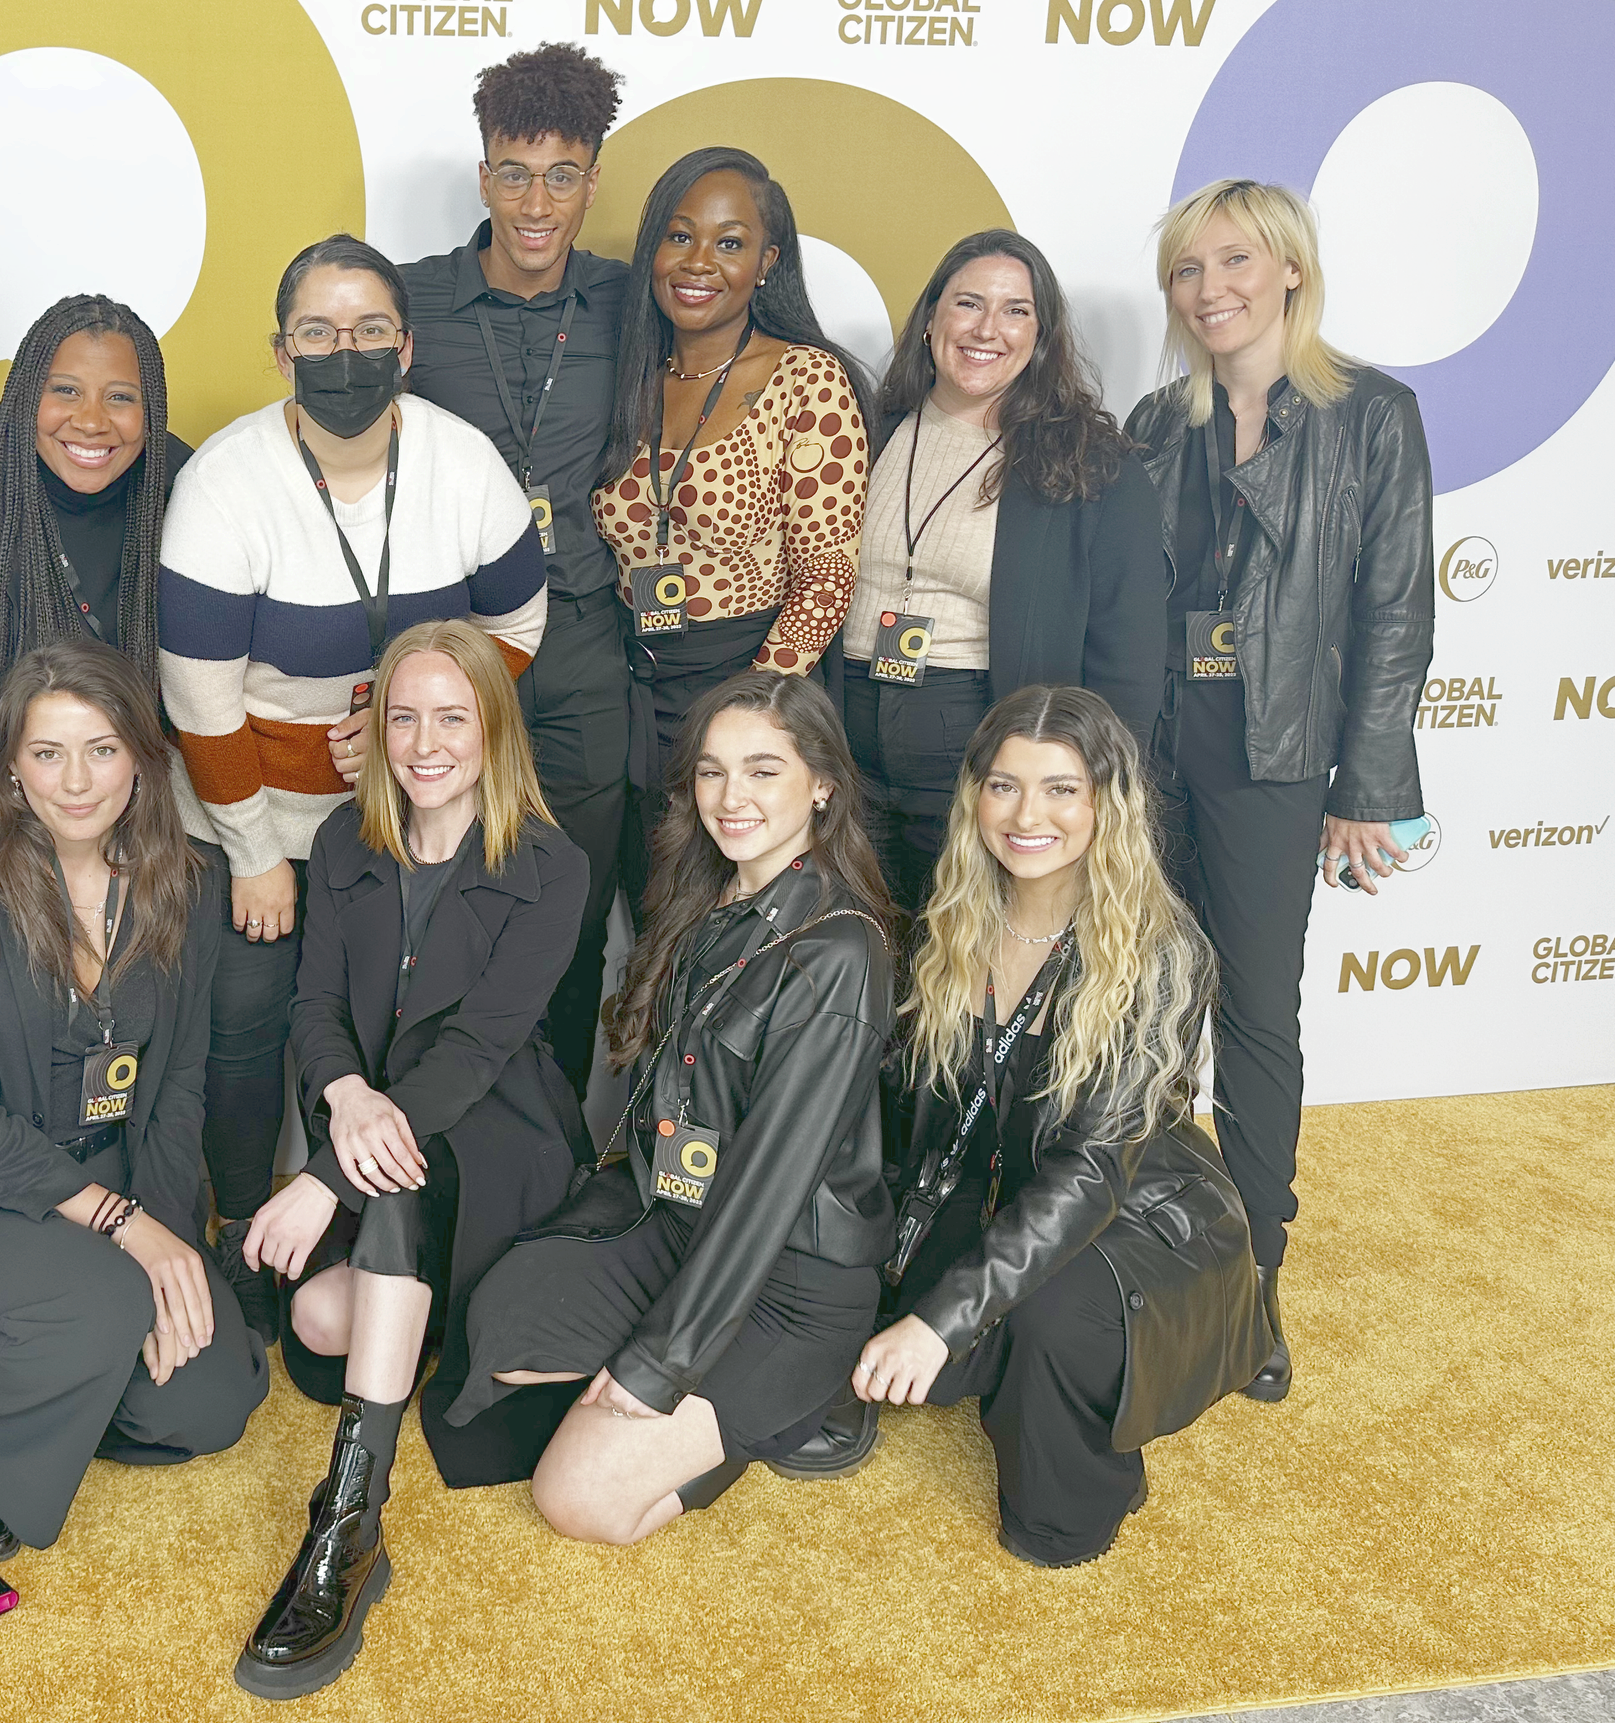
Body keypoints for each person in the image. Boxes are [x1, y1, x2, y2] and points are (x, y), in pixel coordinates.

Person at [158, 234, 547, 1340]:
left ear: (406, 346)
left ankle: (369, 1229)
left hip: (411, 795)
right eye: (319, 333)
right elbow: (199, 698)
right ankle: (244, 1239)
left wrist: (401, 717)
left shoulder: (463, 462)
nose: (346, 353)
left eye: (370, 331)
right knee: (247, 1019)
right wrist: (252, 854)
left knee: (395, 1025)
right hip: (258, 810)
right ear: (282, 352)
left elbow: (516, 625)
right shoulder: (225, 483)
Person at [231, 622, 591, 1700]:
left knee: (377, 1221)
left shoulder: (550, 865)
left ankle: (347, 1525)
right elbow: (316, 1007)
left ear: (492, 728)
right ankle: (422, 1320)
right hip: (376, 1122)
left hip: (495, 1135)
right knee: (316, 1323)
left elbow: (477, 1050)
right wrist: (342, 1098)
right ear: (376, 728)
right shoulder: (346, 843)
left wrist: (328, 1177)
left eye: (453, 717)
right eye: (404, 717)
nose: (426, 742)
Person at [451, 674, 895, 1545]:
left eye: (765, 771)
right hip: (683, 1226)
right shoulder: (710, 893)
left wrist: (656, 1367)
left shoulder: (840, 952)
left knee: (576, 1500)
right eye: (712, 772)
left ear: (822, 784)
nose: (733, 799)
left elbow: (767, 1196)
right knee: (494, 1330)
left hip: (788, 1280)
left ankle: (786, 1407)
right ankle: (698, 1397)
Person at [1127, 179, 1434, 1402]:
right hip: (1154, 746)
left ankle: (1250, 1281)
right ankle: (1144, 1248)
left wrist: (1368, 784)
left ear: (1290, 271)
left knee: (1254, 1016)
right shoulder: (1156, 420)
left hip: (1276, 753)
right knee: (1143, 1007)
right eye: (1187, 272)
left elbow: (1395, 613)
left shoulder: (1369, 417)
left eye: (1234, 263)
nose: (1210, 290)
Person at [0, 642, 267, 1557]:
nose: (76, 781)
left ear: (141, 754)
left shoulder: (188, 885)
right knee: (99, 1306)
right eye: (47, 753)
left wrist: (164, 1242)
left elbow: (177, 1092)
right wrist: (125, 1230)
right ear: (11, 763)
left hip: (115, 1184)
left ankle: (60, 1385)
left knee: (212, 1400)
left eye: (102, 748)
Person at [855, 686, 1269, 1568]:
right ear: (974, 795)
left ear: (1106, 804)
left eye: (1061, 789)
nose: (1027, 814)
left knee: (1035, 1323)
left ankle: (1093, 1472)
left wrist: (942, 1320)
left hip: (1129, 1213)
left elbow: (1088, 1173)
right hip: (987, 1182)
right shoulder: (954, 913)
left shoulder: (1160, 950)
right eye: (1004, 786)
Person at [396, 41, 631, 1102]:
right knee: (431, 898)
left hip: (584, 647)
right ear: (483, 172)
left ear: (593, 178)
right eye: (513, 172)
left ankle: (553, 1149)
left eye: (562, 174)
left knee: (568, 913)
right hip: (450, 650)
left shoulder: (635, 308)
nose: (536, 202)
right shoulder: (410, 304)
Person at [836, 230, 1165, 919]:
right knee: (857, 959)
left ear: (1041, 336)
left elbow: (1127, 658)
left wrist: (1099, 795)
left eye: (1016, 310)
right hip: (846, 745)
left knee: (960, 968)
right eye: (968, 304)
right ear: (931, 320)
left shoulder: (1091, 464)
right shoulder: (864, 429)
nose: (988, 328)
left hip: (980, 746)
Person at [591, 147, 872, 895]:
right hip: (633, 691)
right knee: (648, 919)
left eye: (730, 242)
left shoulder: (806, 379)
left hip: (746, 683)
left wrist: (746, 729)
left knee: (727, 915)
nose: (699, 262)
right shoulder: (630, 380)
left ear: (768, 261)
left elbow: (825, 579)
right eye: (679, 236)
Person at [0, 294, 191, 892]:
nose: (92, 420)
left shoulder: (188, 489)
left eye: (121, 397)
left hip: (143, 824)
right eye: (65, 391)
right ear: (26, 397)